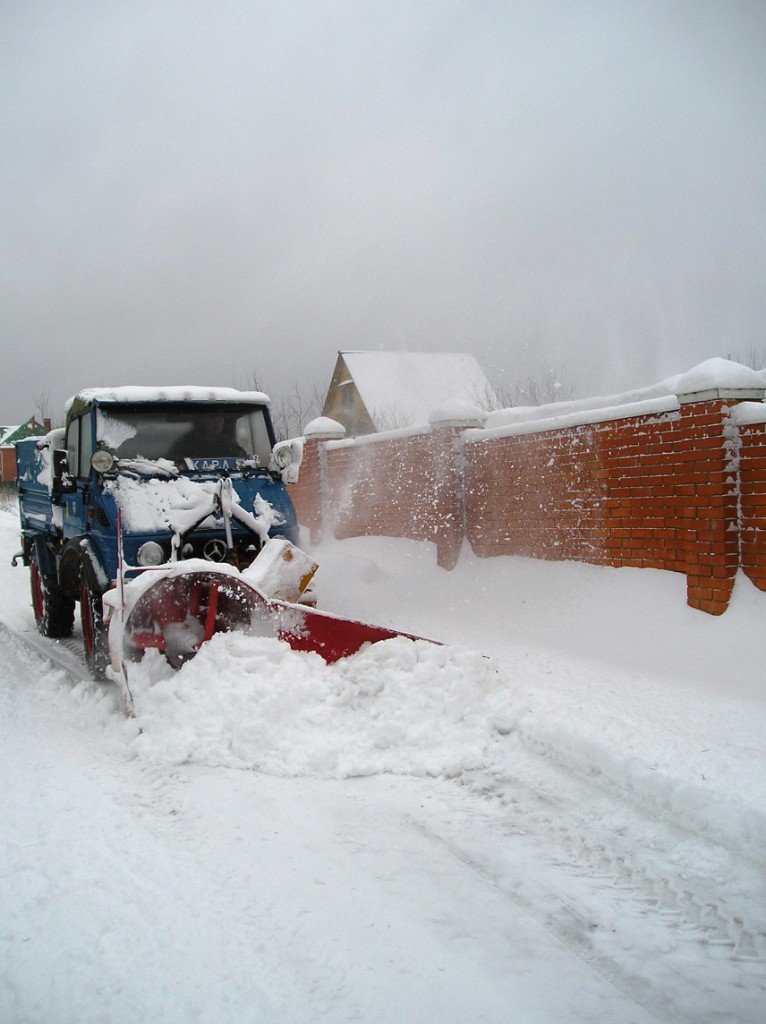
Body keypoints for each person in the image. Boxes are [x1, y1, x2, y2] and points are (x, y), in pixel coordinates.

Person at [170, 413, 248, 461]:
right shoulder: (187, 444)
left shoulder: (231, 447)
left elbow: (243, 464)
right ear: (203, 421)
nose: (217, 424)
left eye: (220, 419)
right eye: (212, 419)